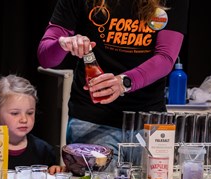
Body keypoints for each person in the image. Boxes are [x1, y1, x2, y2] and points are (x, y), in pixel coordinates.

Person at [37, 0, 189, 165]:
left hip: (148, 122)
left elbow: (165, 58)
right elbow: (46, 57)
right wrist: (62, 43)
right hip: (93, 120)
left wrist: (123, 82)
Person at [0, 74, 64, 174]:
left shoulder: (43, 150)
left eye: (30, 113)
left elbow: (51, 177)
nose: (24, 119)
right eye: (15, 113)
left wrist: (55, 171)